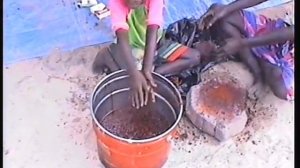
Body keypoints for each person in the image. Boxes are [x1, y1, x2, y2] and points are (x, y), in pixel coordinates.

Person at [93, 0, 216, 108]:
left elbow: (152, 32)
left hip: (157, 43)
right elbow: (122, 37)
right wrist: (134, 74)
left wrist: (147, 71)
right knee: (129, 79)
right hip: (133, 47)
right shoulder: (116, 2)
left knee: (194, 57)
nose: (132, 2)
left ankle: (155, 73)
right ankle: (107, 55)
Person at [198, 0, 294, 101]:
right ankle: (257, 71)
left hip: (289, 57)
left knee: (278, 82)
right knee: (223, 16)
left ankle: (261, 62)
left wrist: (241, 43)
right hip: (276, 32)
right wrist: (225, 9)